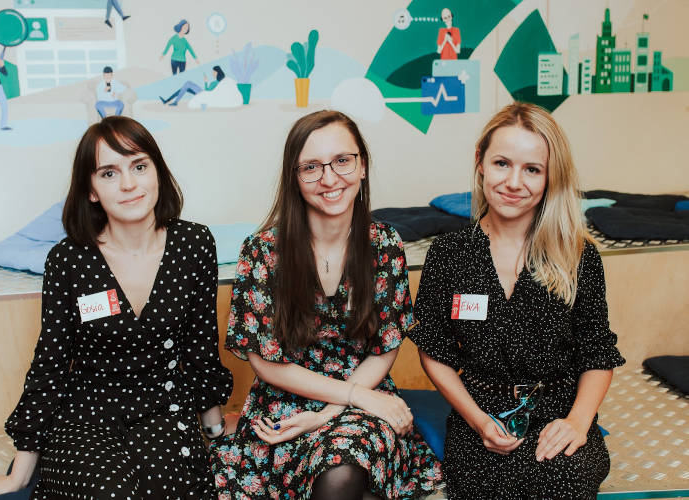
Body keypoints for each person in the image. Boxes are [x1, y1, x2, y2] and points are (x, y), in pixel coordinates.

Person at [0, 116, 233, 500]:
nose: (128, 184)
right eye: (109, 173)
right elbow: (51, 363)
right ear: (90, 190)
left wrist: (214, 436)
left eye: (139, 166)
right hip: (87, 412)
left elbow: (201, 347)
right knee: (112, 493)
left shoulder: (194, 244)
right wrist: (19, 473)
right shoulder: (68, 260)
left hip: (164, 408)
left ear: (157, 172)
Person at [212, 110, 442, 499]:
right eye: (311, 167)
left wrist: (337, 408)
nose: (330, 178)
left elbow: (386, 347)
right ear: (294, 177)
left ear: (362, 166)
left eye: (342, 160)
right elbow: (266, 362)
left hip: (364, 397)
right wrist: (347, 400)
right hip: (285, 402)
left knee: (342, 469)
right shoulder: (264, 251)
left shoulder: (384, 244)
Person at [409, 102, 625, 498]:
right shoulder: (449, 255)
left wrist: (577, 422)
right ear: (480, 162)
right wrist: (477, 422)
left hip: (558, 411)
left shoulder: (577, 255)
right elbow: (434, 348)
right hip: (481, 415)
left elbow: (597, 353)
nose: (513, 182)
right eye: (502, 163)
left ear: (550, 176)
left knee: (563, 478)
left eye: (532, 169)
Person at [160, 65, 224, 106]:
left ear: (216, 72)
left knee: (188, 83)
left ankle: (174, 102)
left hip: (204, 94)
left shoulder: (215, 82)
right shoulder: (218, 82)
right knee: (184, 88)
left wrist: (206, 82)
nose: (212, 73)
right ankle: (167, 101)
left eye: (213, 72)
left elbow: (207, 91)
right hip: (205, 94)